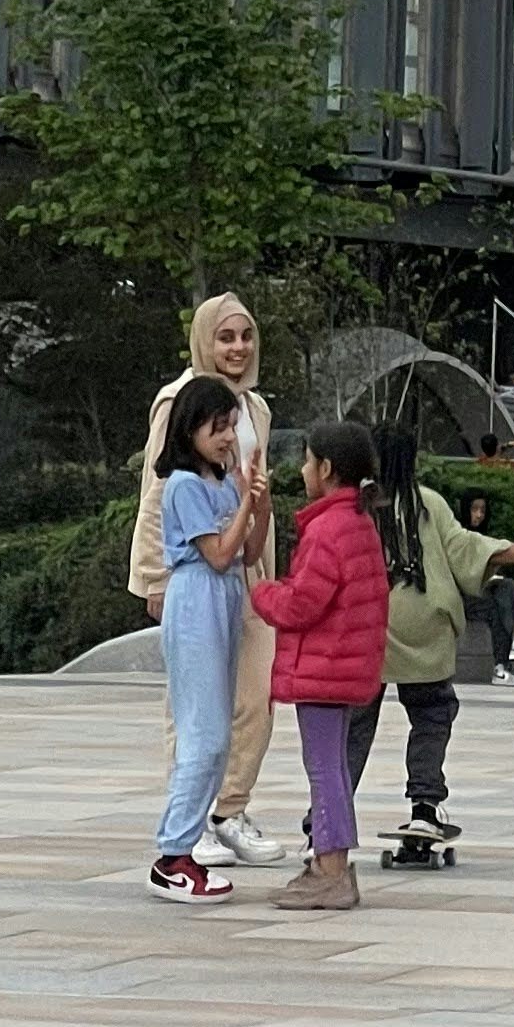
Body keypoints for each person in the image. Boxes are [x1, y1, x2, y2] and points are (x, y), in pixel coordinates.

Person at [348, 425, 514, 844]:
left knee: (355, 725)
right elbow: (468, 547)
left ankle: (329, 813)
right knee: (432, 714)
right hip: (424, 623)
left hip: (368, 627)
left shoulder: (353, 508)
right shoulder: (427, 503)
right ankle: (424, 808)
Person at [127, 294, 284, 868]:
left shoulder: (256, 408)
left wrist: (269, 572)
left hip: (247, 574)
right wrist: (153, 579)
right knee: (197, 708)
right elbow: (155, 491)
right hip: (193, 574)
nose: (237, 348)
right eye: (225, 337)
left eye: (245, 336)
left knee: (257, 699)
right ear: (203, 342)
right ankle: (189, 825)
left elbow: (256, 492)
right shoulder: (179, 401)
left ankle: (230, 809)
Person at [247, 417, 392, 912]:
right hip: (347, 669)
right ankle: (331, 866)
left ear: (326, 468)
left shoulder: (327, 529)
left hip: (323, 672)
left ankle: (330, 869)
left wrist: (262, 592)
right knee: (334, 768)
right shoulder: (359, 522)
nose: (304, 469)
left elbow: (303, 603)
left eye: (309, 461)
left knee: (325, 769)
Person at [147, 380, 267, 903]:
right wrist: (243, 500)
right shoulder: (182, 485)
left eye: (231, 426)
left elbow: (249, 551)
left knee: (218, 732)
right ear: (189, 430)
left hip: (223, 599)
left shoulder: (219, 482)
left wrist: (257, 501)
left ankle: (183, 850)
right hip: (196, 599)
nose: (226, 438)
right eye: (216, 428)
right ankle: (173, 853)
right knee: (204, 733)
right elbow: (217, 553)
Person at [456, 441, 514, 681]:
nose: (479, 515)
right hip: (459, 595)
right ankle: (502, 665)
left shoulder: (483, 536)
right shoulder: (457, 534)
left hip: (477, 591)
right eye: (475, 510)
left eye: (482, 510)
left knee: (507, 586)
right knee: (496, 606)